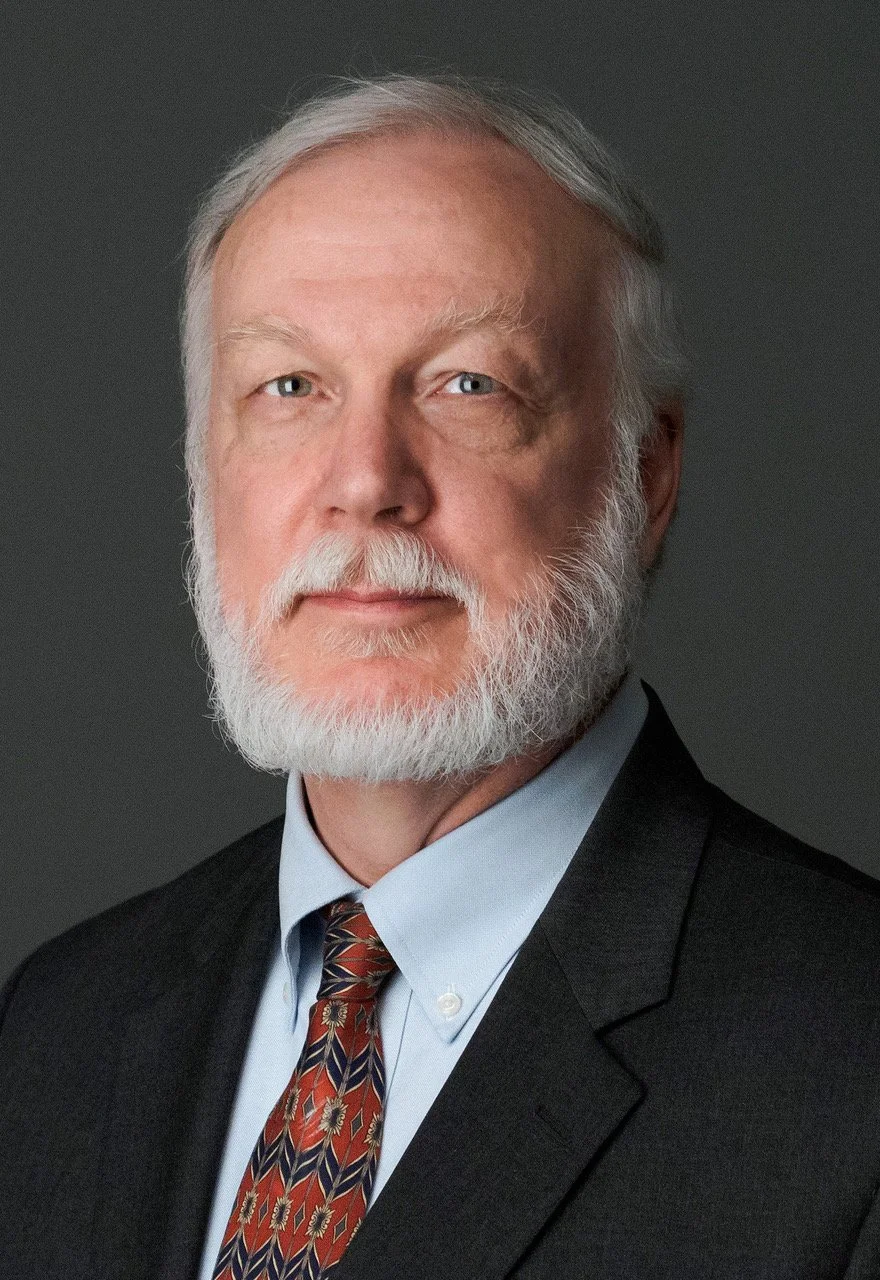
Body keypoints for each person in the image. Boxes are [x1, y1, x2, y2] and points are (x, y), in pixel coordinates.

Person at [1, 73, 878, 1280]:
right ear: (205, 461)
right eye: (290, 388)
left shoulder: (850, 1057)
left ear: (646, 470)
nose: (365, 480)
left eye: (469, 383)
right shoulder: (55, 1031)